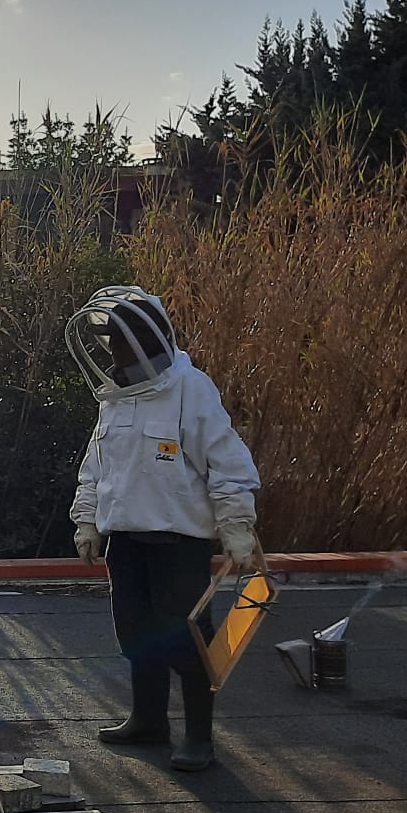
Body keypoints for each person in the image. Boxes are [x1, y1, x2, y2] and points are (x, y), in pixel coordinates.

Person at [67, 285, 260, 773]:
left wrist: (237, 526)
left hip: (179, 542)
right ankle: (149, 720)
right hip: (126, 540)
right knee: (136, 633)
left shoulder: (191, 389)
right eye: (114, 343)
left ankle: (199, 738)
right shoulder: (115, 397)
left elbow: (227, 462)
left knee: (186, 638)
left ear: (149, 340)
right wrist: (87, 518)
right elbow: (96, 464)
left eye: (125, 342)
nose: (118, 352)